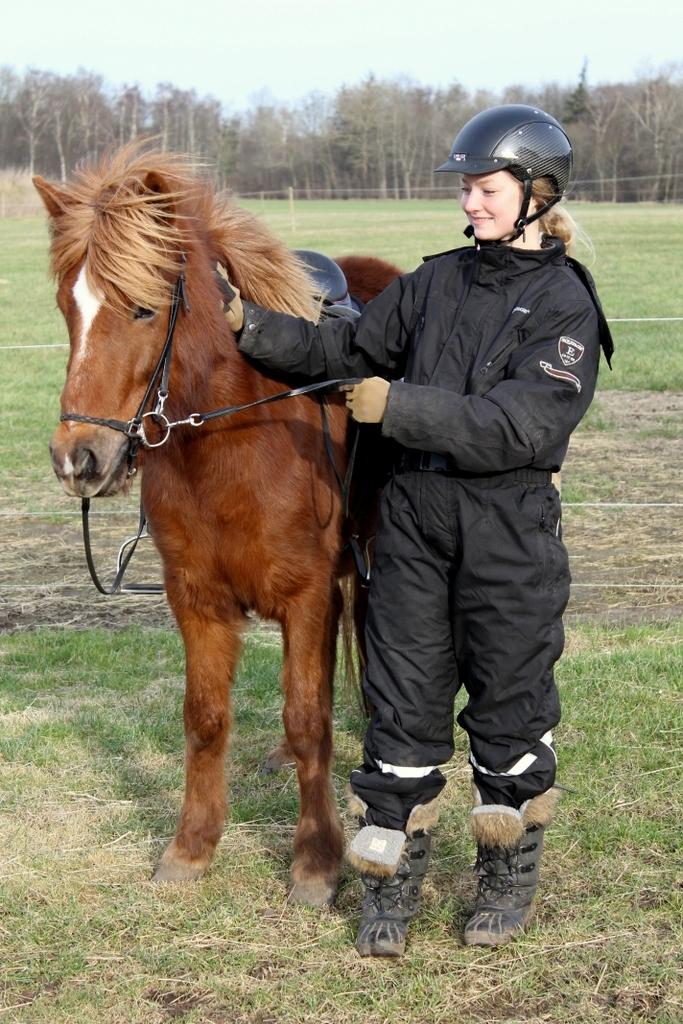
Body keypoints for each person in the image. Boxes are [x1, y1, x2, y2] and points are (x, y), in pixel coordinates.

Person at [223, 104, 613, 957]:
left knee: (509, 710)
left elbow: (521, 427)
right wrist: (247, 326)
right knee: (401, 708)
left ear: (536, 193)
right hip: (410, 527)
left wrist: (398, 405)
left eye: (485, 189)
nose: (470, 204)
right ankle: (390, 881)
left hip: (507, 532)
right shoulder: (433, 283)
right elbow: (347, 349)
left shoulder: (563, 304)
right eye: (467, 190)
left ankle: (505, 875)